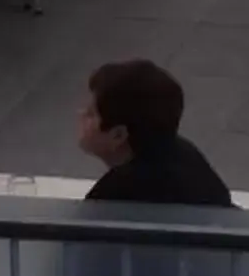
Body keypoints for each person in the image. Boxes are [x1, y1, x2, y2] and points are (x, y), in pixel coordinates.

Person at [77, 59, 234, 206]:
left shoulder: (114, 196)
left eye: (91, 114)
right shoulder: (185, 154)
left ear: (118, 135)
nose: (80, 113)